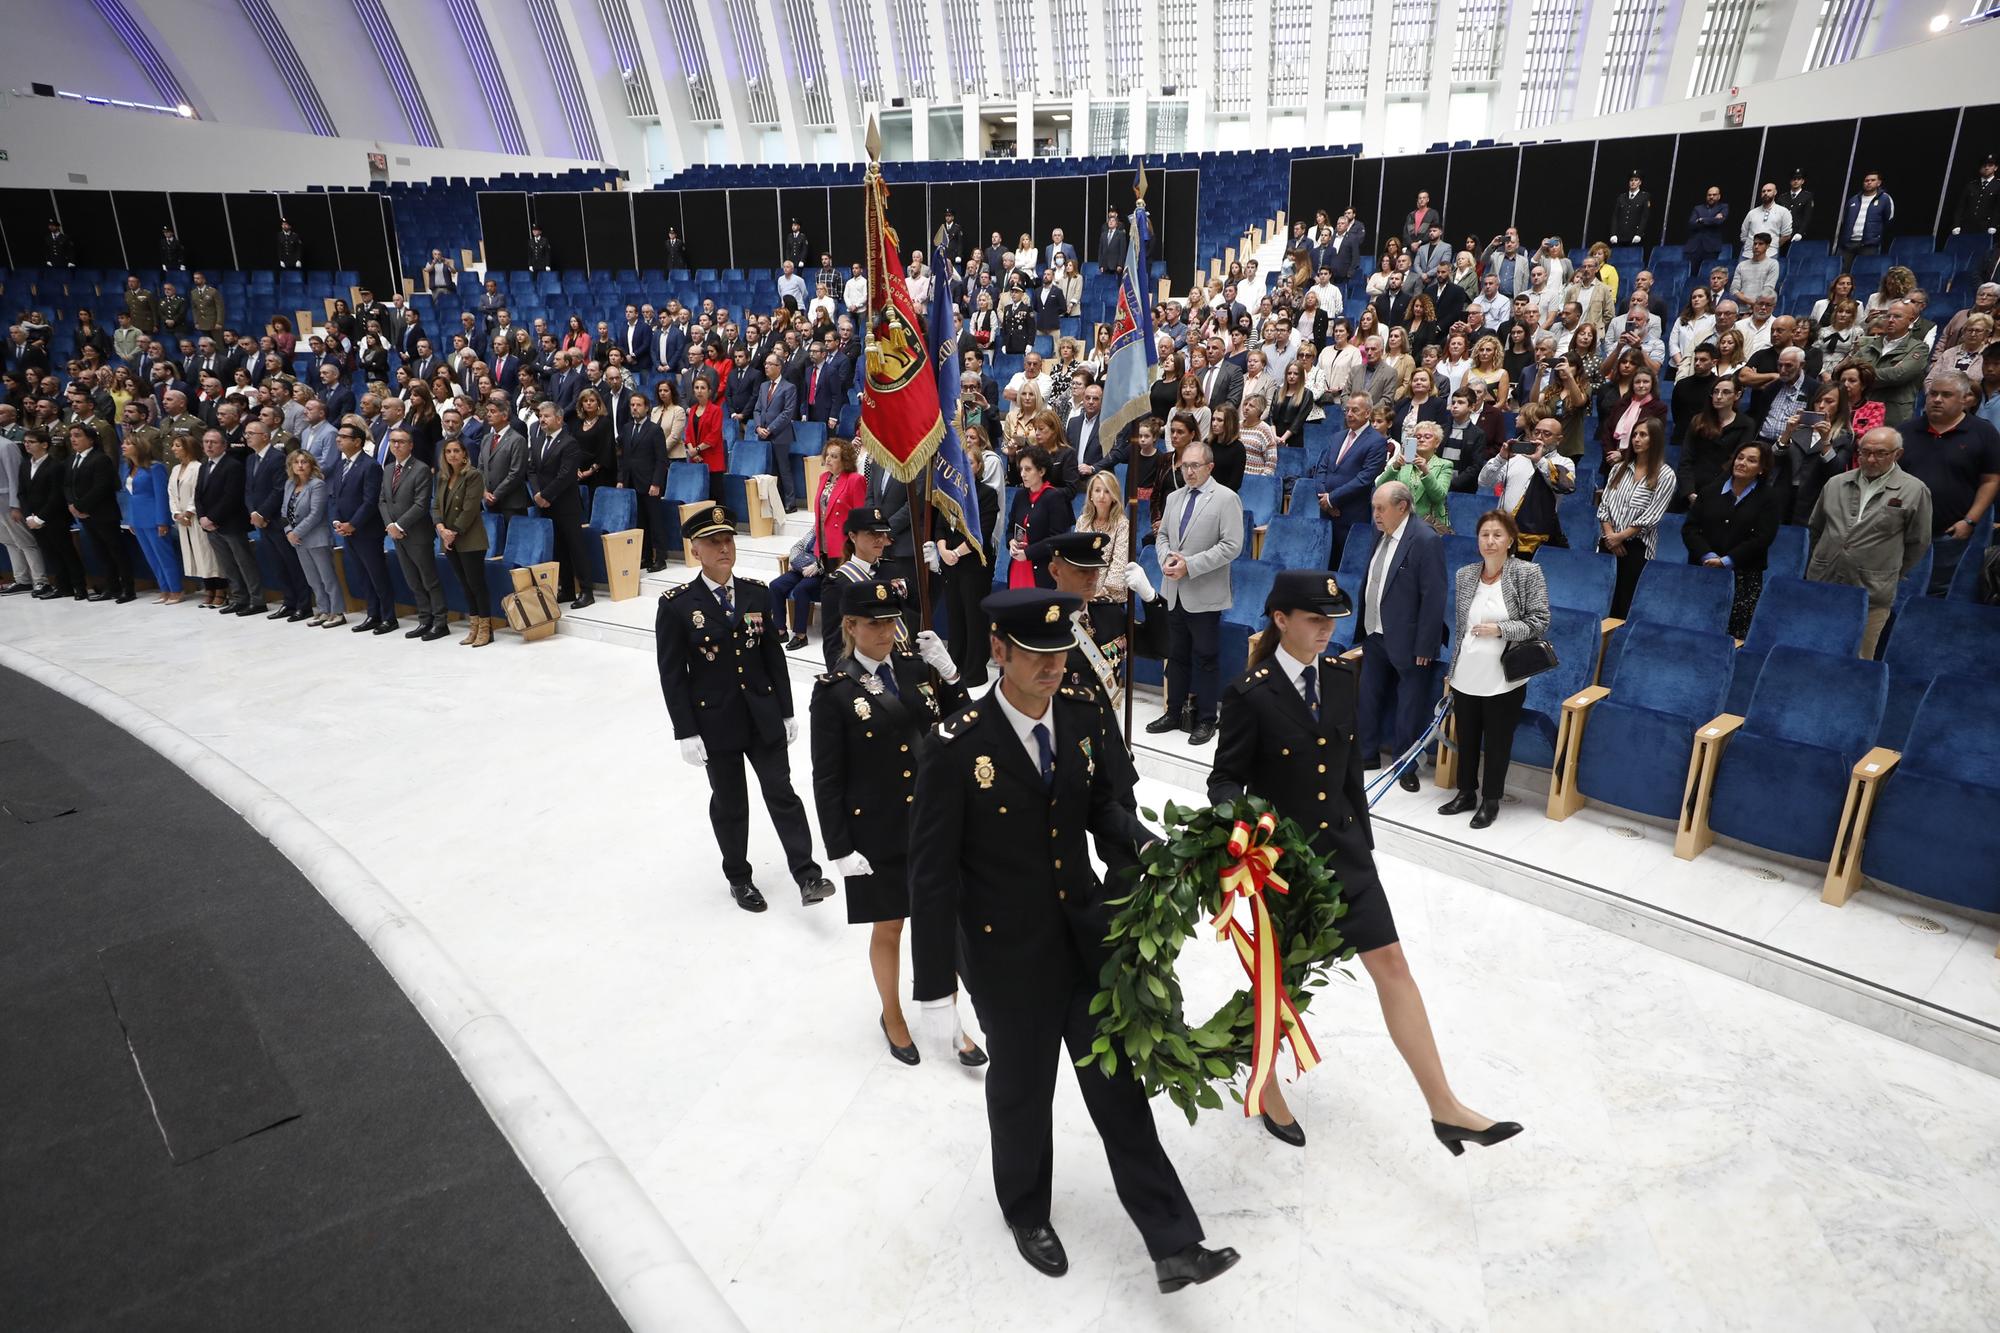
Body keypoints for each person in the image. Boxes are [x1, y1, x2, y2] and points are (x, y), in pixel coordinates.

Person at [908, 586, 1238, 1291]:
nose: (1054, 667)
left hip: (1081, 941)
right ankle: (1026, 1208)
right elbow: (931, 877)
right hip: (1004, 955)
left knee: (1116, 1086)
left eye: (1061, 653)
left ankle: (1175, 1242)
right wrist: (935, 989)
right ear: (998, 651)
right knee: (1023, 1091)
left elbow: (1102, 810)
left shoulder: (1083, 720)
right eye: (1037, 655)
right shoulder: (957, 745)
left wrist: (1152, 848)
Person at [1210, 568, 1521, 1151]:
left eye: (1332, 618)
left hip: (1348, 854)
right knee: (1278, 984)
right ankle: (1266, 1083)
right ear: (1281, 620)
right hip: (1285, 866)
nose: (1327, 628)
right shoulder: (1249, 692)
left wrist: (1363, 841)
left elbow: (1349, 769)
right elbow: (1224, 780)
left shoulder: (1344, 677)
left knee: (1394, 967)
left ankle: (1444, 1107)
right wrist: (1252, 830)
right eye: (1314, 618)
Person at [809, 578, 980, 1065]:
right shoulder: (835, 692)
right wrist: (838, 846)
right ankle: (893, 1014)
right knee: (891, 925)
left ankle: (948, 1020)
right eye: (873, 622)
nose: (885, 631)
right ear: (851, 626)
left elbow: (962, 722)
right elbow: (828, 777)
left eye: (890, 621)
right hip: (877, 829)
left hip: (930, 820)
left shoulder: (914, 669)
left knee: (941, 921)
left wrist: (949, 676)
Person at [658, 503, 835, 912]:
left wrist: (788, 709)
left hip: (762, 714)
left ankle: (807, 875)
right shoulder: (678, 605)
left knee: (782, 794)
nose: (723, 548)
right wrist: (684, 731)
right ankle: (739, 877)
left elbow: (773, 657)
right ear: (695, 551)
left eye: (727, 540)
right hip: (715, 721)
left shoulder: (757, 593)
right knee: (731, 803)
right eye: (712, 542)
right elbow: (673, 675)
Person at [1440, 510, 1552, 828]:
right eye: (1484, 534)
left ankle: (1491, 800)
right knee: (1467, 735)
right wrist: (1453, 667)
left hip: (1504, 675)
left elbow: (1540, 621)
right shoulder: (1465, 574)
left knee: (1498, 739)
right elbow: (1461, 628)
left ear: (1510, 540)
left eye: (1497, 535)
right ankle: (1466, 793)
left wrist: (1500, 629)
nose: (1490, 541)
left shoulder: (1527, 573)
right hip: (1467, 670)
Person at [1145, 441, 1243, 746]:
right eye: (1184, 466)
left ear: (1209, 467)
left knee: (1205, 657)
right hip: (1173, 589)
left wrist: (1191, 565)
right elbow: (1161, 535)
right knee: (1176, 656)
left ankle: (1205, 719)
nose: (1188, 471)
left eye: (1194, 466)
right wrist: (1164, 559)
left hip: (1204, 591)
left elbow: (1231, 546)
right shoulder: (1174, 498)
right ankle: (1173, 712)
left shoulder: (1226, 499)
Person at [1352, 480, 1447, 793]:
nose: (1375, 514)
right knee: (1368, 695)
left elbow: (1434, 596)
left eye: (1381, 508)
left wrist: (1426, 644)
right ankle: (1366, 755)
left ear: (1402, 507)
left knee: (1409, 705)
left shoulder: (1424, 540)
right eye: (1374, 508)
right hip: (1374, 631)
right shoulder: (1381, 533)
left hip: (1409, 639)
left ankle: (1405, 764)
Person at [1807, 426, 1933, 658]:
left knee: (1859, 659)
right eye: (1865, 452)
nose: (1871, 459)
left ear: (1898, 454)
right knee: (1816, 648)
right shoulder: (1836, 483)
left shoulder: (1915, 490)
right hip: (1826, 583)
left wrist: (1887, 572)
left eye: (1881, 453)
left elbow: (1918, 542)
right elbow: (1816, 528)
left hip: (1872, 591)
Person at [1897, 370, 2000, 595]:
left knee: (1936, 592)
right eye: (1933, 393)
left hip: (1950, 532)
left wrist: (1970, 521)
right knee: (1895, 590)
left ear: (1965, 399)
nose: (1936, 399)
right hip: (1902, 530)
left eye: (1946, 395)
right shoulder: (1905, 431)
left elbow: (1991, 480)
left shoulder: (1984, 432)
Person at [1684, 441, 1782, 638]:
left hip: (1744, 577)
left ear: (1762, 469)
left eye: (1751, 460)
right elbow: (1690, 529)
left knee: (1733, 635)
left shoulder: (1769, 498)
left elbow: (1762, 538)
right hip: (1704, 570)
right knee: (1696, 628)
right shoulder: (1710, 491)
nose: (1742, 463)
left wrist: (1726, 561)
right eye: (1740, 457)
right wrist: (1708, 556)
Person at [1597, 417, 1677, 618]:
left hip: (1636, 546)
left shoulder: (1665, 475)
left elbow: (1652, 515)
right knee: (1601, 596)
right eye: (1634, 434)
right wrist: (1611, 536)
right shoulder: (1618, 468)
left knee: (1623, 601)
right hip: (1608, 540)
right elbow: (1604, 505)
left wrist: (1621, 537)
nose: (1636, 439)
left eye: (1643, 435)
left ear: (1655, 439)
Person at [379, 427, 451, 641]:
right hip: (396, 534)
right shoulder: (388, 468)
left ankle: (440, 622)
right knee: (412, 580)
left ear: (410, 445)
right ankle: (424, 619)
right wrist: (390, 525)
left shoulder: (420, 469)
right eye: (393, 441)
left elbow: (421, 505)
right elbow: (382, 500)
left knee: (429, 579)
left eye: (401, 442)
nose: (396, 445)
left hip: (417, 534)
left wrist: (399, 526)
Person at [1307, 393, 1389, 567]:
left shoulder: (1377, 442)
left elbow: (1364, 479)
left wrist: (1332, 498)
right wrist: (1324, 498)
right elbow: (1322, 468)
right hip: (1326, 512)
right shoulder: (1338, 437)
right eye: (1347, 410)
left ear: (1368, 413)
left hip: (1350, 514)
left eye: (1355, 410)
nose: (1349, 414)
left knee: (1346, 567)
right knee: (1322, 564)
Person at [329, 419, 395, 632]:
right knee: (362, 575)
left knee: (377, 575)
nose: (338, 439)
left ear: (357, 442)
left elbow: (370, 501)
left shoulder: (370, 466)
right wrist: (339, 522)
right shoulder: (341, 464)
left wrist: (353, 524)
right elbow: (338, 497)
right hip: (348, 530)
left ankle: (388, 617)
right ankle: (372, 614)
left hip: (366, 530)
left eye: (344, 437)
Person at [1478, 411, 1576, 553]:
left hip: (1536, 539)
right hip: (1503, 532)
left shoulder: (1564, 462)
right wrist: (1500, 458)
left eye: (1547, 434)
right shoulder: (1515, 457)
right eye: (1537, 432)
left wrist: (1539, 461)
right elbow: (1484, 482)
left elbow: (1564, 486)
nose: (1540, 437)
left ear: (1559, 439)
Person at [529, 399, 594, 608]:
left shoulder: (569, 442)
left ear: (559, 418)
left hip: (566, 505)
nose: (542, 420)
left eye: (546, 416)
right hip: (546, 504)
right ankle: (566, 589)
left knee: (575, 548)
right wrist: (537, 493)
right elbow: (531, 469)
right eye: (540, 416)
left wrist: (545, 495)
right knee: (558, 549)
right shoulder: (539, 440)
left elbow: (566, 475)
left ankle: (586, 591)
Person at [432, 436, 492, 646]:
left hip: (469, 538)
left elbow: (470, 508)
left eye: (457, 451)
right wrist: (441, 529)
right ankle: (473, 626)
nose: (452, 455)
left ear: (465, 454)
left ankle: (486, 629)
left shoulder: (473, 475)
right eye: (448, 452)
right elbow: (436, 506)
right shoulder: (442, 477)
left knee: (476, 584)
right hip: (449, 538)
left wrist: (452, 532)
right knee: (464, 585)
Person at [191, 426, 255, 612]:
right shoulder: (204, 465)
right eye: (206, 442)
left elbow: (231, 496)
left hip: (231, 523)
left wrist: (212, 517)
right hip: (211, 526)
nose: (209, 445)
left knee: (244, 563)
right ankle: (238, 598)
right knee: (227, 565)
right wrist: (202, 516)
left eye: (213, 442)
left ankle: (256, 599)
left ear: (224, 446)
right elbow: (198, 494)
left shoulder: (233, 465)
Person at [20, 428, 85, 599]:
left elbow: (56, 495)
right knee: (50, 554)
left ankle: (79, 586)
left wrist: (41, 517)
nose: (27, 445)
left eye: (31, 442)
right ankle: (62, 587)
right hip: (34, 518)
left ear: (44, 445)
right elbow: (22, 493)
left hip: (54, 518)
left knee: (66, 552)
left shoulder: (55, 465)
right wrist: (29, 516)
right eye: (26, 441)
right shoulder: (25, 464)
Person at [280, 449, 342, 627]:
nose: (300, 465)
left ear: (311, 465)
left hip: (316, 537)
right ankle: (323, 610)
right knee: (312, 579)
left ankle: (337, 611)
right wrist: (288, 531)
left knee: (327, 577)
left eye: (304, 462)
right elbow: (284, 511)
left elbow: (316, 514)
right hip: (297, 540)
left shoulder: (317, 485)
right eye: (296, 462)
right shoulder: (289, 484)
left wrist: (295, 532)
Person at [119, 433, 181, 604]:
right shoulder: (128, 468)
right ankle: (164, 589)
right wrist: (130, 519)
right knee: (151, 557)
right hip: (137, 518)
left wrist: (163, 521)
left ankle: (176, 589)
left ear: (139, 447)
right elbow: (130, 496)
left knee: (164, 556)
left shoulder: (155, 467)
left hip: (154, 517)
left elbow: (161, 495)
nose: (123, 446)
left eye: (128, 443)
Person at [164, 434, 223, 606]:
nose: (173, 449)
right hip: (182, 520)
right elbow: (171, 493)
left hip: (196, 518)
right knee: (196, 556)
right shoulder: (175, 469)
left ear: (188, 448)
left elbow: (198, 493)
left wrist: (189, 512)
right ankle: (208, 589)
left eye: (177, 446)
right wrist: (176, 513)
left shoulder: (198, 467)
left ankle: (220, 590)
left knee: (208, 555)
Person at [1005, 446, 1073, 590]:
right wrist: (1011, 542)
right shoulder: (1020, 495)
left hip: (1041, 570)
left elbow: (1056, 539)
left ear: (1041, 471)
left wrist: (1028, 553)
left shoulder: (1054, 497)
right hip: (1018, 566)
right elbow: (1010, 528)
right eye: (1021, 469)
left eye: (1028, 469)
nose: (1023, 474)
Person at [1679, 378, 1755, 504]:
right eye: (1715, 392)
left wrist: (1709, 494)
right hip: (1692, 487)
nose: (1719, 396)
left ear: (1737, 395)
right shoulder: (1698, 420)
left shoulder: (1746, 424)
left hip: (1723, 489)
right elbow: (1686, 458)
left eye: (1725, 392)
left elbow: (1734, 463)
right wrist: (1689, 492)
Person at [1856, 300, 1927, 426]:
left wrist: (1863, 376)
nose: (1890, 320)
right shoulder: (1869, 345)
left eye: (1897, 316)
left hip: (1894, 414)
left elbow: (1898, 375)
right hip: (1863, 411)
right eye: (1888, 316)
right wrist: (1888, 374)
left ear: (1910, 321)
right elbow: (1847, 374)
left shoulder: (1918, 348)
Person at [1378, 421, 1452, 529]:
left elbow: (1439, 497)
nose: (1421, 440)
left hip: (1430, 524)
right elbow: (1380, 486)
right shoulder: (1403, 463)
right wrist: (1395, 466)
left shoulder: (1445, 465)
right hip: (1401, 521)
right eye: (1418, 437)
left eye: (1427, 437)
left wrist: (1426, 471)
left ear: (1437, 443)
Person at [1837, 171, 1895, 269]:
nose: (1869, 182)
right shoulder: (1853, 199)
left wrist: (1876, 235)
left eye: (1872, 180)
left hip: (1869, 245)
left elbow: (1889, 219)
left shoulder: (1885, 199)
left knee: (1865, 273)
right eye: (1866, 180)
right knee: (1841, 273)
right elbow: (1844, 219)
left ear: (1879, 183)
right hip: (1848, 244)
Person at [1609, 172, 1652, 244]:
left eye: (1636, 180)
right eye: (1631, 180)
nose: (1633, 182)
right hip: (1619, 237)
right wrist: (1613, 233)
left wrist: (1639, 234)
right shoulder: (1621, 197)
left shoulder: (1645, 196)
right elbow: (1615, 216)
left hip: (1635, 236)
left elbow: (1645, 217)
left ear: (1640, 182)